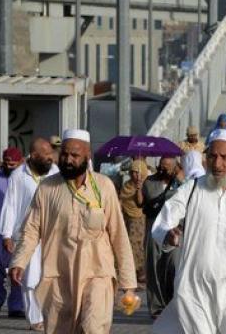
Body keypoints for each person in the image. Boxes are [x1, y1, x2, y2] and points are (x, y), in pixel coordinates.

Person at [9, 129, 137, 333]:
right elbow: (31, 229)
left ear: (88, 156)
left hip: (97, 274)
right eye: (65, 154)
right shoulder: (47, 188)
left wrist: (128, 282)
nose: (68, 159)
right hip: (59, 275)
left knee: (92, 327)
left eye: (75, 155)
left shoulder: (104, 187)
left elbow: (119, 235)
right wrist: (19, 261)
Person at [150, 130, 226, 333]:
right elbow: (162, 223)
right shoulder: (192, 190)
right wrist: (168, 235)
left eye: (224, 157)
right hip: (194, 290)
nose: (217, 163)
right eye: (212, 156)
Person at [0, 140, 58, 329]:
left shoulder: (55, 172)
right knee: (30, 277)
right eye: (46, 154)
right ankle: (35, 318)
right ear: (34, 155)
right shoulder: (18, 175)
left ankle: (50, 314)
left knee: (49, 276)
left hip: (52, 234)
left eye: (51, 153)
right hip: (26, 235)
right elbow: (10, 205)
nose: (51, 157)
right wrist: (6, 235)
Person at [141, 157, 182, 318]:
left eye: (167, 168)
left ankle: (172, 303)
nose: (163, 170)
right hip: (154, 229)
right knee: (153, 267)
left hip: (174, 230)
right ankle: (157, 307)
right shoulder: (150, 182)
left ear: (175, 167)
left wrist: (179, 181)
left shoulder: (181, 183)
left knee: (173, 267)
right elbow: (149, 199)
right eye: (161, 167)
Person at [119, 159, 149, 285]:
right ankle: (130, 272)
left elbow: (140, 203)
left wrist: (139, 189)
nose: (135, 175)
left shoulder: (145, 185)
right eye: (133, 172)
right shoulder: (127, 185)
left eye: (138, 172)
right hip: (127, 219)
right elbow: (121, 200)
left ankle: (140, 272)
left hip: (139, 219)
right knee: (127, 244)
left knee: (137, 245)